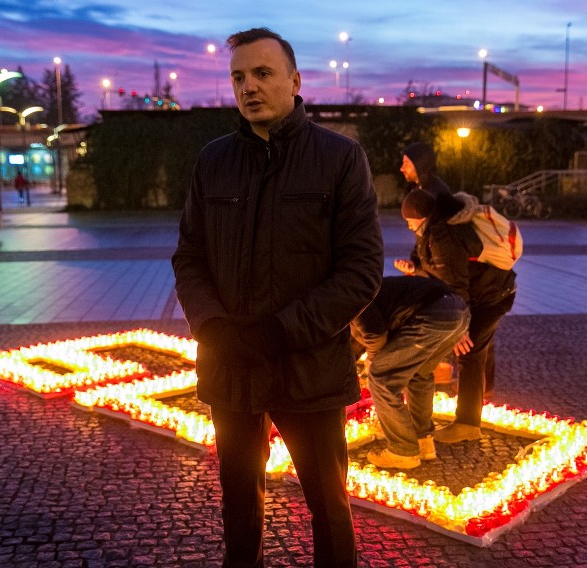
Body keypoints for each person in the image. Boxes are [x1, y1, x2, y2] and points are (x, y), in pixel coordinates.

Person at [172, 27, 383, 568]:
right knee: (238, 504)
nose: (249, 87)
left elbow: (360, 270)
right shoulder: (212, 160)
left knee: (329, 507)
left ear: (294, 80)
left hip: (308, 369)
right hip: (231, 368)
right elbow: (189, 257)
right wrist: (212, 328)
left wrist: (280, 331)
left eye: (262, 73)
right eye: (238, 76)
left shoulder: (339, 158)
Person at [395, 188, 516, 444]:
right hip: (482, 293)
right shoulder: (431, 231)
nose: (408, 226)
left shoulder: (442, 235)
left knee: (470, 352)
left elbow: (456, 285)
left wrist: (461, 329)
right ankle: (468, 416)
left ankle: (468, 425)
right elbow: (437, 267)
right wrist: (414, 267)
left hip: (491, 296)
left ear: (419, 216)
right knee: (468, 351)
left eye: (409, 221)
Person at [351, 276, 469, 469]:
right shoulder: (363, 288)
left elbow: (375, 335)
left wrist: (372, 360)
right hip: (457, 310)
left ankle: (402, 450)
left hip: (431, 314)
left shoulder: (352, 298)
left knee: (381, 378)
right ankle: (424, 441)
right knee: (419, 374)